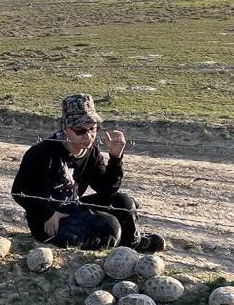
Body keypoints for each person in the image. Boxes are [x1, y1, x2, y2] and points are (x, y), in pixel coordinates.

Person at [12, 93, 166, 252]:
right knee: (110, 227)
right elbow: (19, 191)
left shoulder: (92, 153)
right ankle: (115, 245)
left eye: (92, 128)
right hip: (48, 221)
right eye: (80, 130)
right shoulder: (42, 153)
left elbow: (107, 190)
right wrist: (47, 213)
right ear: (65, 129)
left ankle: (131, 244)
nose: (88, 136)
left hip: (74, 207)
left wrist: (115, 158)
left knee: (123, 202)